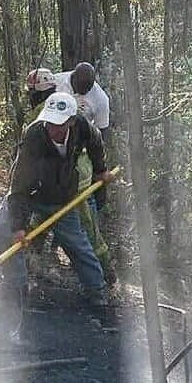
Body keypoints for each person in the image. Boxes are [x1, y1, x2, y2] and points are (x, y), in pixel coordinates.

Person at [5, 92, 112, 312]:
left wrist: (100, 170)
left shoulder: (81, 126)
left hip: (63, 200)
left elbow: (96, 143)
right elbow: (18, 185)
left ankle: (98, 294)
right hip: (31, 196)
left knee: (78, 246)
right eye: (50, 122)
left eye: (59, 124)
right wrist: (18, 226)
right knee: (2, 233)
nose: (53, 128)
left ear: (71, 121)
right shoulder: (34, 135)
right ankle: (16, 290)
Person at [55, 62, 114, 282]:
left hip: (81, 159)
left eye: (86, 89)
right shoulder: (58, 81)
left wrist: (100, 169)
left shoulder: (100, 100)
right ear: (72, 78)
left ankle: (103, 274)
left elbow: (101, 137)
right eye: (79, 86)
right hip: (52, 152)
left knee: (85, 214)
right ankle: (44, 253)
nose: (82, 92)